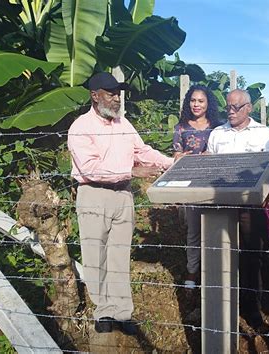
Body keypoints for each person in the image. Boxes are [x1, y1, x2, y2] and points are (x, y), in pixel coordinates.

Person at [68, 72, 174, 335]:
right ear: (95, 96)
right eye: (111, 93)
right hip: (94, 194)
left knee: (119, 254)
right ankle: (103, 311)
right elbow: (91, 169)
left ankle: (123, 313)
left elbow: (143, 150)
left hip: (123, 195)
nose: (116, 98)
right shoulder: (80, 127)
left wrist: (171, 163)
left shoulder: (123, 124)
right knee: (96, 256)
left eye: (118, 93)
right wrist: (132, 171)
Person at [207, 89, 269, 328]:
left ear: (249, 108)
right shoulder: (217, 134)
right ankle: (225, 302)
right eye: (228, 107)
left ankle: (252, 305)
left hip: (250, 206)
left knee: (251, 257)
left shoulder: (264, 135)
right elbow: (209, 166)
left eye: (236, 107)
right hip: (221, 207)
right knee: (223, 255)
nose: (231, 111)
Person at [173, 85, 221, 291]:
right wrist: (199, 158)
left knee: (215, 230)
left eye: (201, 101)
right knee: (193, 231)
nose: (196, 104)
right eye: (193, 100)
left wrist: (191, 158)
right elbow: (177, 156)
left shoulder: (218, 127)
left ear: (208, 103)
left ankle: (214, 272)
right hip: (191, 186)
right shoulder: (181, 127)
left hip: (215, 186)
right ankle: (192, 271)